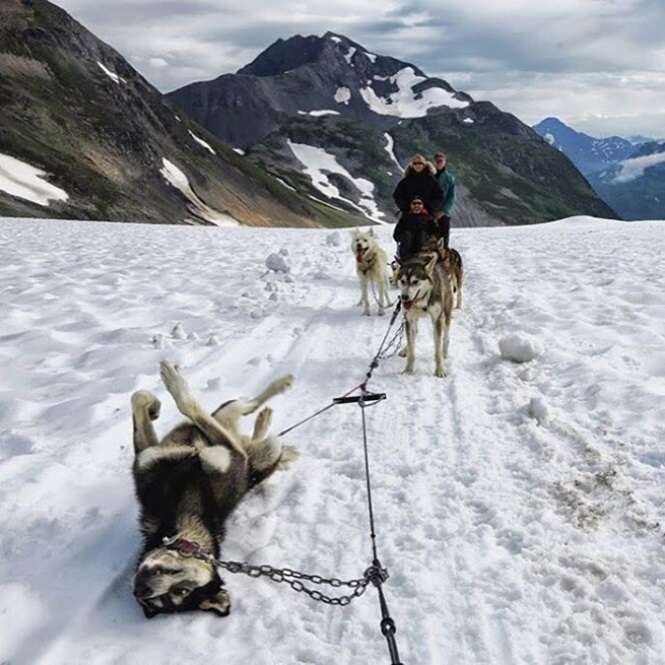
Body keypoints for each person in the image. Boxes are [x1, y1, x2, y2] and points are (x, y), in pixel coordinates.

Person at [393, 154, 443, 220]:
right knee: (400, 230)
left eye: (420, 163)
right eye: (415, 163)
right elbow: (397, 195)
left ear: (424, 164)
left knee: (433, 229)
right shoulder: (406, 181)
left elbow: (439, 196)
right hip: (409, 215)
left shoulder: (431, 180)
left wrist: (429, 207)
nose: (417, 165)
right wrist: (406, 207)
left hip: (427, 215)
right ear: (412, 165)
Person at [433, 151, 456, 249]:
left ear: (445, 162)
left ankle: (444, 260)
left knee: (443, 240)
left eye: (441, 161)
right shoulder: (429, 176)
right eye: (437, 161)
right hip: (430, 212)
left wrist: (443, 211)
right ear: (434, 162)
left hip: (444, 214)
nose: (439, 163)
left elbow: (451, 197)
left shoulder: (449, 178)